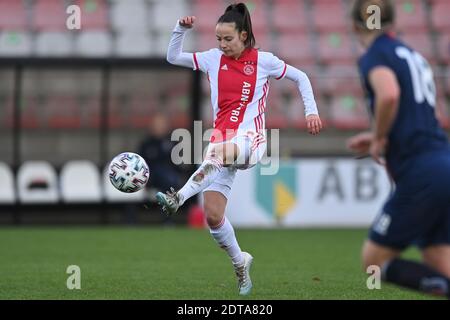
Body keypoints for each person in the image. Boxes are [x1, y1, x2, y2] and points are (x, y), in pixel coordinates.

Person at [157, 3, 322, 295]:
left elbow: (302, 77)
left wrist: (311, 111)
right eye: (218, 39)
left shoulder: (264, 61)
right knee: (212, 215)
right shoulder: (211, 59)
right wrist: (179, 30)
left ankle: (178, 198)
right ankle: (240, 262)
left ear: (244, 36)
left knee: (219, 154)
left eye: (228, 39)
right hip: (223, 140)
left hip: (251, 139)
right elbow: (173, 57)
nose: (222, 44)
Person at [347, 0, 450, 298]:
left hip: (422, 172)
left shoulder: (375, 55)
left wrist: (379, 137)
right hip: (441, 160)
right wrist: (381, 132)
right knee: (437, 259)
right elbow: (414, 108)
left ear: (354, 26)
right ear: (392, 23)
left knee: (374, 262)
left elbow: (389, 94)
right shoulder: (411, 54)